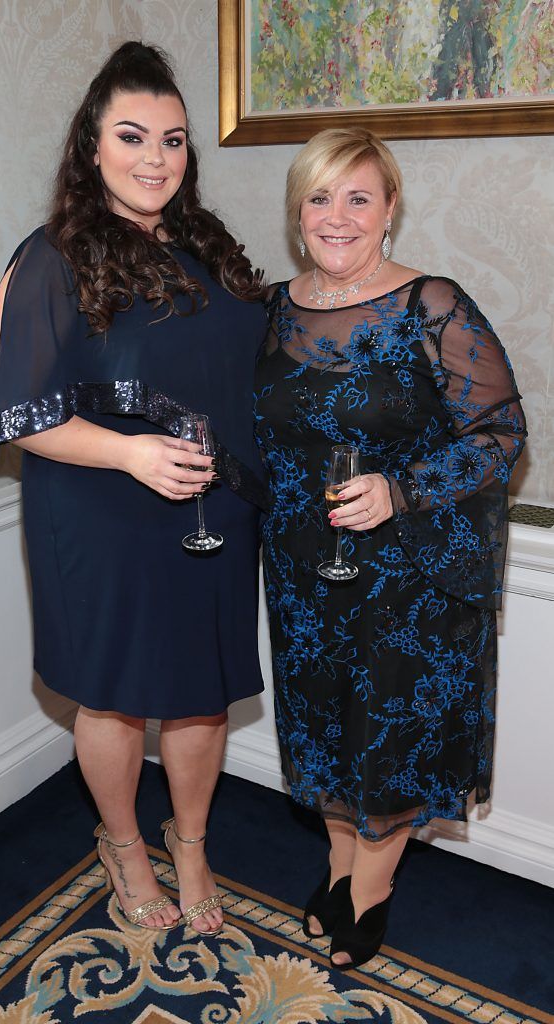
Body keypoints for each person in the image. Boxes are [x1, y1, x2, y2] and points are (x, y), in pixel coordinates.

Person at [0, 41, 268, 937]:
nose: (155, 159)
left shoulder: (204, 243)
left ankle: (191, 843)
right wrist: (133, 456)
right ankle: (126, 846)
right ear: (91, 146)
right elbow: (11, 413)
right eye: (133, 136)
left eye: (174, 140)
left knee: (203, 692)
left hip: (213, 512)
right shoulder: (52, 255)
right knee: (112, 694)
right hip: (101, 513)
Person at [254, 127, 526, 968]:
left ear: (389, 208)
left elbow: (499, 434)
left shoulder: (432, 304)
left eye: (357, 197)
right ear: (298, 211)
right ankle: (339, 866)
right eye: (319, 197)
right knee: (325, 728)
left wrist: (399, 490)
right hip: (304, 568)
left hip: (409, 572)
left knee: (389, 733)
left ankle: (369, 888)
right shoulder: (270, 305)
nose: (336, 216)